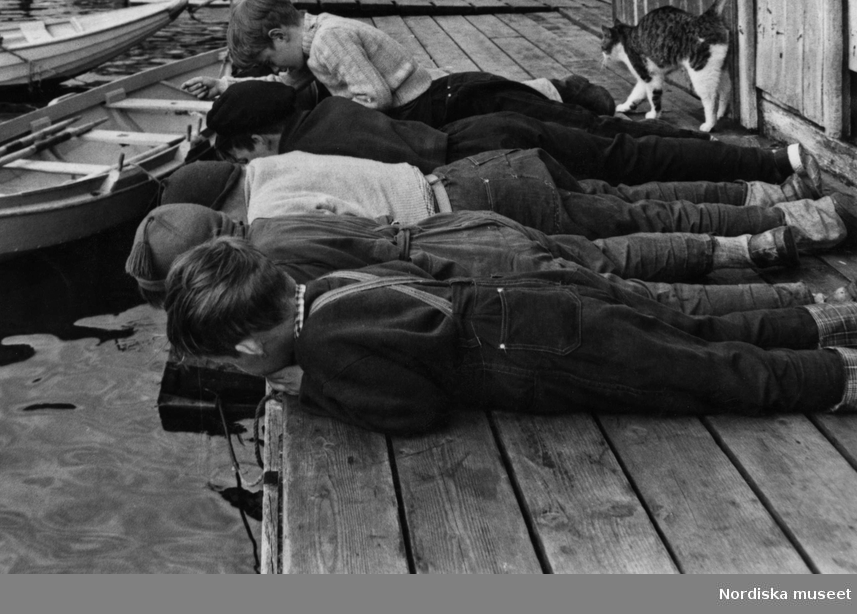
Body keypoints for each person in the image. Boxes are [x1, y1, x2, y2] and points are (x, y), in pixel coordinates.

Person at [162, 238, 857, 433]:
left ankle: (840, 375)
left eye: (231, 362)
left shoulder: (324, 351)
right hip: (535, 298)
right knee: (693, 328)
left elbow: (411, 411)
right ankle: (826, 316)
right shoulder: (335, 285)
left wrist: (311, 390)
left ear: (250, 348)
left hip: (550, 351)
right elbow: (408, 274)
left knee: (709, 375)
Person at [126, 202, 826, 317]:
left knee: (633, 299)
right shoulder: (271, 219)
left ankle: (800, 306)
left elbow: (378, 286)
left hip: (463, 269)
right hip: (453, 226)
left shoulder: (269, 263)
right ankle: (747, 248)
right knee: (604, 253)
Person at [201, 80, 819, 197]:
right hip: (477, 127)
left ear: (259, 139)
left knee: (615, 191)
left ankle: (760, 188)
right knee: (624, 152)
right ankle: (771, 161)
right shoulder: (332, 108)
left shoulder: (308, 156)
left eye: (241, 152)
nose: (246, 163)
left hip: (478, 159)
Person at [154, 149, 857, 247]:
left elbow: (347, 226)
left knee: (637, 219)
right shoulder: (274, 159)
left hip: (460, 210)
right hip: (470, 171)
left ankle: (810, 219)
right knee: (625, 196)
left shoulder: (272, 212)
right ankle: (771, 190)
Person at [209, 0, 652, 132]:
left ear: (279, 35)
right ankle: (563, 89)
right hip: (430, 88)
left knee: (523, 112)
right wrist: (230, 89)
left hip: (428, 103)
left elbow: (375, 97)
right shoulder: (312, 34)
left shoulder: (328, 42)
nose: (280, 67)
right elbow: (293, 78)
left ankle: (575, 93)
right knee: (508, 97)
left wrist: (332, 117)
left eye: (272, 58)